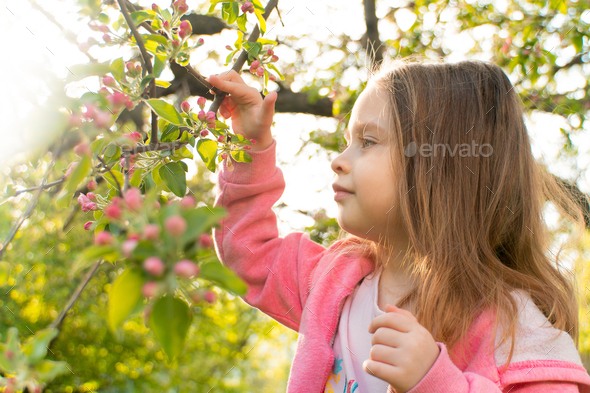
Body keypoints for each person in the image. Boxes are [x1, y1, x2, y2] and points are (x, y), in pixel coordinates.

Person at [206, 55, 590, 393]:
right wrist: (248, 145)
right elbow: (248, 253)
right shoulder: (333, 283)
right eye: (348, 141)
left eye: (368, 141)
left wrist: (435, 382)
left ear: (441, 168)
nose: (338, 159)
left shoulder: (513, 328)